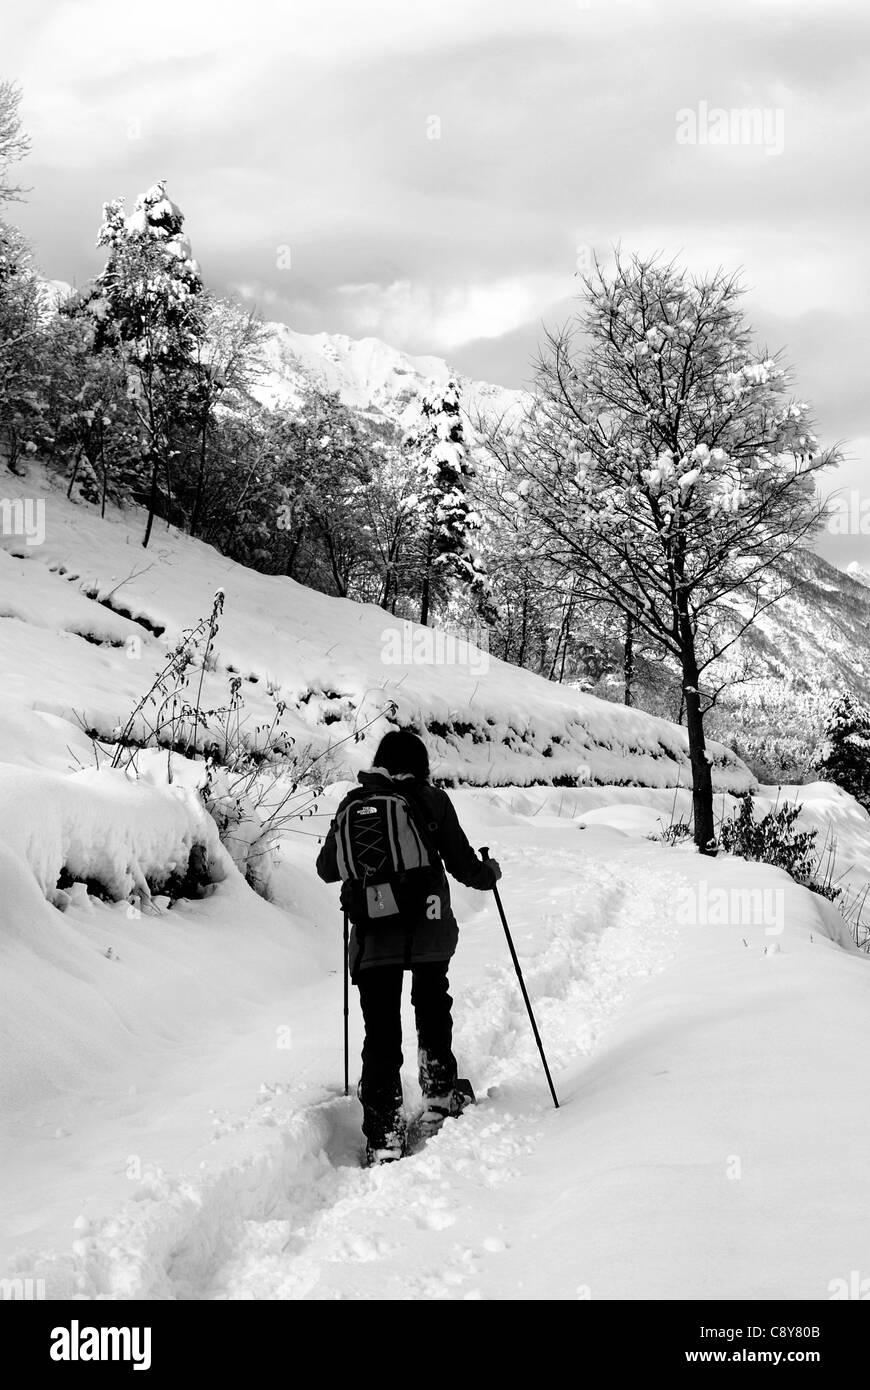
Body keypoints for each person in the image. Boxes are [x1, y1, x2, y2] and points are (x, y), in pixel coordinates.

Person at [316, 730, 501, 1164]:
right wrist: (488, 872)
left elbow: (327, 868)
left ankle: (384, 1134)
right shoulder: (432, 801)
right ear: (420, 765)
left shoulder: (354, 803)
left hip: (374, 933)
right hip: (428, 926)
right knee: (432, 1006)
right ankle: (439, 1098)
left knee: (380, 1031)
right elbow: (462, 864)